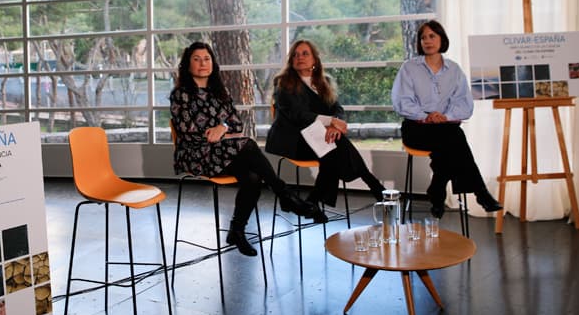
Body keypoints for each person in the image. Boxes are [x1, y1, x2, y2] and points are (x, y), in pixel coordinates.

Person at [170, 42, 326, 257]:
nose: (202, 63)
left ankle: (237, 230)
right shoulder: (181, 94)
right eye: (196, 59)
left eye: (206, 59)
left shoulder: (219, 92)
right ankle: (285, 194)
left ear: (213, 63)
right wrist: (215, 131)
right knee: (248, 145)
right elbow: (188, 130)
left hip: (221, 152)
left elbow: (235, 123)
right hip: (196, 154)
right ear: (187, 65)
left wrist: (222, 127)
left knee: (253, 177)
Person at [391, 20, 502, 218]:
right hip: (416, 128)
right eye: (423, 37)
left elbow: (464, 104)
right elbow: (401, 102)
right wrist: (426, 116)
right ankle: (480, 193)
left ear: (442, 39)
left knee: (450, 138)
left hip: (444, 127)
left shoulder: (454, 70)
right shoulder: (409, 68)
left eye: (432, 36)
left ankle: (437, 191)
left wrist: (445, 116)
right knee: (455, 139)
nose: (427, 41)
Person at [266, 40, 386, 210]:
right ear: (291, 61)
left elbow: (337, 108)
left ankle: (312, 204)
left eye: (305, 53)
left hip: (319, 138)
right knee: (337, 149)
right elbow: (297, 115)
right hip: (292, 139)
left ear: (315, 59)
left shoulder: (324, 81)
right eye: (295, 54)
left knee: (334, 147)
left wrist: (333, 126)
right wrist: (330, 122)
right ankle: (376, 187)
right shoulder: (283, 82)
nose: (299, 57)